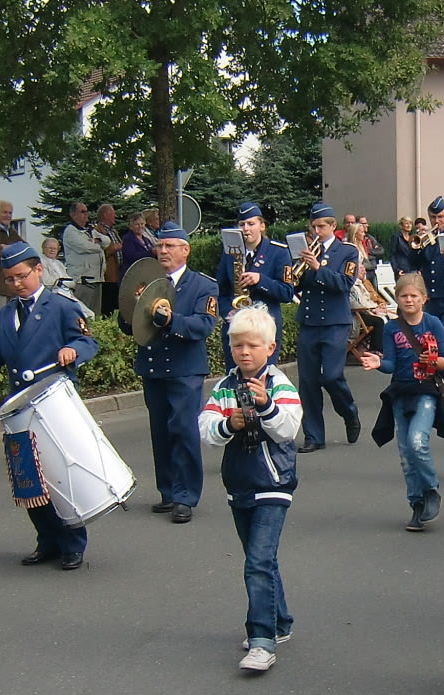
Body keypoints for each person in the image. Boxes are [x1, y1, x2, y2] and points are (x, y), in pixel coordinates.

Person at [0, 238, 101, 565]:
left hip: (55, 405)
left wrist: (72, 350)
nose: (16, 284)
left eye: (22, 276)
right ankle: (47, 539)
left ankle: (72, 543)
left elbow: (87, 342)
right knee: (30, 478)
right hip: (21, 407)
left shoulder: (61, 306)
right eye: (9, 279)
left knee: (60, 474)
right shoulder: (4, 316)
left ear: (38, 270)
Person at [201, 306, 305, 672]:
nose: (244, 352)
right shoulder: (224, 387)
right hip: (239, 482)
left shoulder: (280, 384)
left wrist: (266, 405)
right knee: (261, 559)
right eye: (237, 345)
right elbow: (206, 429)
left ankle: (261, 639)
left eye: (253, 346)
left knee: (257, 562)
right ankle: (280, 621)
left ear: (270, 348)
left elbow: (288, 429)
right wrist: (228, 424)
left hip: (273, 483)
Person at [131, 224, 215, 522]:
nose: (163, 251)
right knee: (161, 432)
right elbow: (127, 324)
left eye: (170, 246)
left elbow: (203, 325)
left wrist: (170, 320)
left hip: (185, 369)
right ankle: (167, 491)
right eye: (160, 245)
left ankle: (185, 497)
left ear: (185, 250)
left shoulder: (202, 285)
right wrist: (134, 305)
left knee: (184, 431)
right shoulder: (148, 283)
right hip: (153, 366)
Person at [357, 270, 444, 531]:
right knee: (406, 455)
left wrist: (434, 361)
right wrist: (378, 363)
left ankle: (431, 490)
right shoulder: (391, 328)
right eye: (403, 296)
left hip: (427, 391)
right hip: (400, 391)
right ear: (397, 299)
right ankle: (416, 504)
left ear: (424, 298)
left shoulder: (433, 323)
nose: (409, 300)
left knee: (417, 441)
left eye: (414, 296)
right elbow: (390, 364)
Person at [290, 204, 362, 452]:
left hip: (335, 322)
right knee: (308, 381)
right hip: (309, 321)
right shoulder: (307, 251)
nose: (317, 231)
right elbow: (295, 286)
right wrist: (295, 270)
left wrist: (318, 268)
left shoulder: (347, 252)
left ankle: (349, 412)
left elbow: (344, 284)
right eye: (314, 227)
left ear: (333, 226)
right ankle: (313, 436)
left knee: (331, 376)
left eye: (321, 226)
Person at [216, 201, 294, 358]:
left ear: (262, 226)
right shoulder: (230, 253)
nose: (246, 229)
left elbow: (287, 293)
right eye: (242, 224)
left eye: (251, 224)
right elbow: (220, 290)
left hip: (264, 331)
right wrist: (228, 312)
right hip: (236, 330)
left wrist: (261, 280)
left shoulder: (278, 252)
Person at [397, 196, 444, 331]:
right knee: (429, 335)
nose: (437, 221)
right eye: (433, 217)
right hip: (431, 297)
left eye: (441, 217)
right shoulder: (427, 237)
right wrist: (416, 247)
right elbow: (413, 264)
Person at [60, 200, 103, 304]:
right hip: (82, 281)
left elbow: (106, 241)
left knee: (95, 313)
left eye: (87, 211)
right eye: (83, 211)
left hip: (97, 279)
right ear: (73, 215)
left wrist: (95, 241)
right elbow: (85, 247)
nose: (86, 214)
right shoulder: (70, 231)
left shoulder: (89, 230)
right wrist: (97, 244)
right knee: (83, 311)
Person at [93, 202, 123, 315]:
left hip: (117, 274)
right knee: (107, 306)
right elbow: (97, 251)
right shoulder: (97, 231)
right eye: (113, 213)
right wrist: (113, 248)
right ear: (106, 215)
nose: (115, 216)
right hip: (108, 275)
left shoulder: (113, 231)